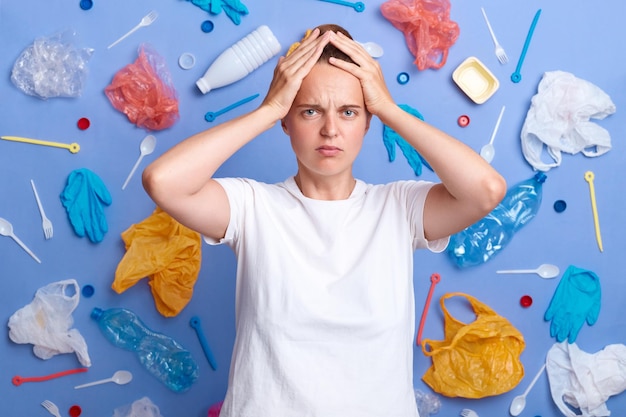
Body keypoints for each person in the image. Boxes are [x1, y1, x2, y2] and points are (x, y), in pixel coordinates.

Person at [143, 24, 506, 417]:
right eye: (310, 111)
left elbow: (485, 190)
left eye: (349, 112)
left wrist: (388, 108)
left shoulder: (398, 207)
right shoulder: (253, 207)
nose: (330, 129)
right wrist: (268, 109)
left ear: (367, 122)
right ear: (286, 121)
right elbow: (163, 181)